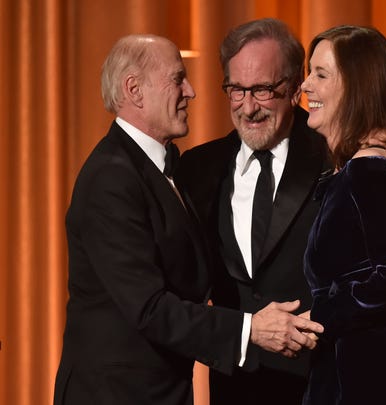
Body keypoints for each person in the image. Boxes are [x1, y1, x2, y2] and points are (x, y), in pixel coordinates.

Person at [53, 33, 323, 405]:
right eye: (178, 78)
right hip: (116, 394)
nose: (191, 91)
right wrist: (250, 329)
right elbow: (149, 307)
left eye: (260, 89)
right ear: (135, 90)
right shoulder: (111, 178)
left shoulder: (172, 170)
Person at [178, 19, 330, 405]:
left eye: (262, 89)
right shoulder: (198, 168)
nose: (248, 107)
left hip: (322, 384)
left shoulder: (335, 159)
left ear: (296, 86)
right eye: (236, 90)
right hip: (234, 389)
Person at [300, 25, 386, 404]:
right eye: (309, 72)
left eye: (321, 75)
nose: (305, 86)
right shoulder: (375, 168)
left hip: (366, 382)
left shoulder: (369, 173)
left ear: (356, 88)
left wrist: (323, 314)